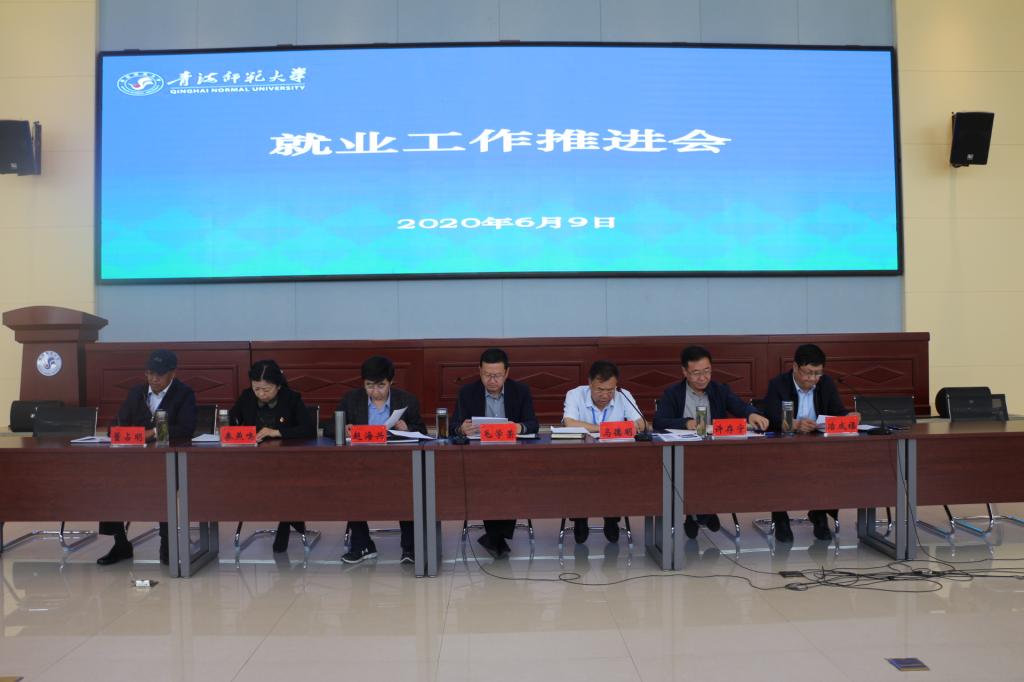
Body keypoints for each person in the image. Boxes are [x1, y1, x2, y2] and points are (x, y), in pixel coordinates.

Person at [653, 345, 770, 539]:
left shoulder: (720, 389)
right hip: (683, 454)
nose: (703, 378)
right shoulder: (673, 393)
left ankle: (698, 514)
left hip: (715, 453)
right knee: (693, 471)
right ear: (685, 372)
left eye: (707, 371)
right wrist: (686, 423)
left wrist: (752, 414)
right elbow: (659, 421)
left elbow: (739, 406)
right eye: (696, 373)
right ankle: (703, 513)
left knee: (721, 469)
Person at [96, 349, 196, 566]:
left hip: (169, 460)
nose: (154, 379)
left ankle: (167, 544)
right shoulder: (137, 392)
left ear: (173, 373)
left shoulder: (184, 393)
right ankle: (120, 543)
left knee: (164, 486)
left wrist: (154, 433)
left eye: (159, 374)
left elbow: (186, 428)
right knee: (109, 482)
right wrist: (125, 433)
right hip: (134, 459)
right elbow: (117, 424)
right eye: (150, 373)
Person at [761, 343, 858, 542]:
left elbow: (837, 412)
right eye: (808, 373)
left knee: (833, 465)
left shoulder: (826, 384)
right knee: (777, 467)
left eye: (817, 373)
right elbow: (770, 417)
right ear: (795, 367)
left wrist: (849, 417)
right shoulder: (778, 384)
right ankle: (780, 517)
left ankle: (819, 514)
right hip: (785, 446)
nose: (813, 379)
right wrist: (794, 424)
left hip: (819, 447)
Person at [335, 355, 427, 564]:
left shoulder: (406, 400)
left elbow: (422, 431)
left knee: (410, 488)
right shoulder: (351, 399)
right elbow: (331, 427)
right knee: (350, 486)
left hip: (398, 465)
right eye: (369, 385)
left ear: (391, 382)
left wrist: (407, 428)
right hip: (360, 464)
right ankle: (362, 545)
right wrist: (344, 428)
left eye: (380, 386)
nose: (375, 391)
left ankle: (410, 548)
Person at [450, 348, 539, 558]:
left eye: (497, 375)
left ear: (506, 373)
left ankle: (495, 537)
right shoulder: (467, 393)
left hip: (513, 457)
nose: (492, 380)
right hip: (479, 459)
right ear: (479, 371)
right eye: (487, 375)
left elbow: (533, 424)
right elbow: (453, 426)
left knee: (511, 480)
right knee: (488, 482)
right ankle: (496, 538)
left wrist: (519, 427)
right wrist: (461, 429)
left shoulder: (520, 391)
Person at [228, 359, 316, 553]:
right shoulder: (247, 397)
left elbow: (308, 429)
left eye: (266, 389)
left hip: (287, 462)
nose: (261, 394)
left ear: (278, 385)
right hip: (253, 461)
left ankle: (285, 522)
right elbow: (231, 421)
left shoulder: (291, 398)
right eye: (257, 389)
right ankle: (292, 518)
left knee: (286, 482)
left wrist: (278, 432)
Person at [562, 360, 644, 544]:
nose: (606, 395)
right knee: (577, 474)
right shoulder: (575, 394)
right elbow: (570, 423)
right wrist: (605, 429)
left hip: (616, 460)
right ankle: (580, 518)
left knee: (617, 472)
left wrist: (633, 426)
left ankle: (612, 517)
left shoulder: (623, 395)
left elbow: (641, 424)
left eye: (610, 390)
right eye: (600, 389)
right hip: (581, 460)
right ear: (589, 383)